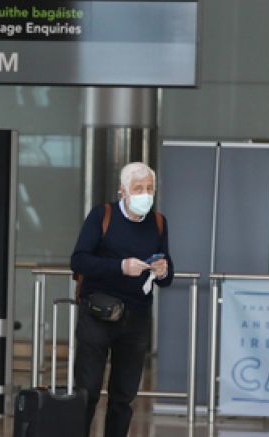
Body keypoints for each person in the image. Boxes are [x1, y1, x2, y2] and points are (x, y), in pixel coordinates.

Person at [70, 162, 174, 437]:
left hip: (137, 318)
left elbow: (166, 277)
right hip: (98, 313)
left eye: (149, 188)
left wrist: (163, 271)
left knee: (123, 395)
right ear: (123, 192)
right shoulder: (101, 215)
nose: (145, 194)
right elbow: (79, 260)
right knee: (87, 389)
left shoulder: (159, 223)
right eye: (138, 188)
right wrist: (120, 267)